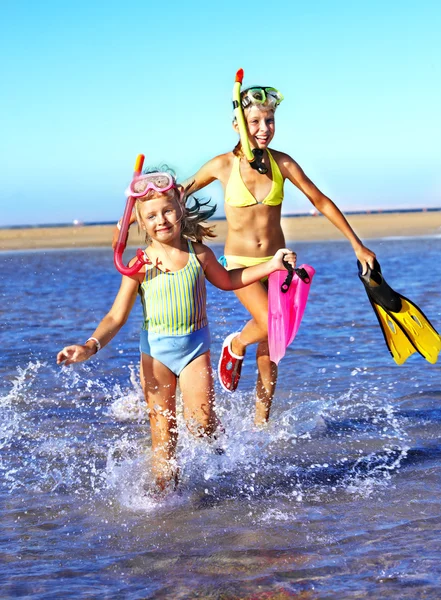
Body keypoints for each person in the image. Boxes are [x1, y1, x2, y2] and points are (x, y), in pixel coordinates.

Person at [113, 82, 377, 427]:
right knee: (270, 323)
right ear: (237, 124)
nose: (263, 129)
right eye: (254, 122)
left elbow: (320, 201)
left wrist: (357, 244)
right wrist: (131, 217)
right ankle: (236, 345)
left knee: (272, 351)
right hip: (238, 264)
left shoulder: (282, 163)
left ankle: (260, 425)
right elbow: (174, 195)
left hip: (278, 265)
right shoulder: (222, 165)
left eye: (269, 121)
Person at [58, 168, 297, 492]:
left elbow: (229, 281)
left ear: (180, 209)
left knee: (200, 424)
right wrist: (89, 346)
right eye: (152, 215)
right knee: (163, 432)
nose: (162, 220)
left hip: (194, 350)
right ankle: (165, 497)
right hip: (155, 354)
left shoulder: (198, 253)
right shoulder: (139, 265)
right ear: (140, 223)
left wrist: (271, 265)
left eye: (168, 210)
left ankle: (224, 450)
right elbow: (116, 316)